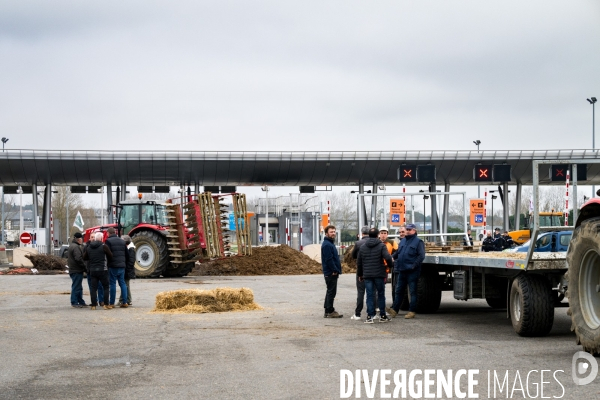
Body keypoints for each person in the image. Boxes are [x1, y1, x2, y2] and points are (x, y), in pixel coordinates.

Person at [388, 223, 425, 319]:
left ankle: (412, 311)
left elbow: (421, 256)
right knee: (399, 291)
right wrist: (392, 257)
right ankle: (394, 310)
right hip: (402, 270)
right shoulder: (403, 241)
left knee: (413, 291)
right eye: (407, 229)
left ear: (414, 230)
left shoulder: (418, 242)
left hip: (412, 271)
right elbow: (398, 252)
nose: (408, 231)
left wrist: (413, 266)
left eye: (410, 229)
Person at [357, 228, 393, 324]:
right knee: (381, 294)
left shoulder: (363, 247)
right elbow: (388, 257)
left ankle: (370, 316)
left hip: (367, 275)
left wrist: (360, 274)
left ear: (369, 235)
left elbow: (359, 263)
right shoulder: (381, 246)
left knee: (369, 295)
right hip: (379, 274)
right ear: (378, 235)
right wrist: (390, 266)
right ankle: (382, 315)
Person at [83, 232, 113, 310]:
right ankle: (106, 304)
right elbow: (111, 256)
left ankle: (93, 305)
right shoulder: (104, 246)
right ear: (101, 239)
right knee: (106, 287)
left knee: (93, 288)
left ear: (95, 239)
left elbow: (84, 257)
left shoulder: (89, 247)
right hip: (103, 270)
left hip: (93, 270)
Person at [350, 226, 374, 321]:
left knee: (361, 292)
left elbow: (353, 256)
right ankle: (372, 313)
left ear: (362, 233)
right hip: (373, 270)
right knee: (372, 292)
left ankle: (358, 313)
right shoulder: (376, 242)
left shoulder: (358, 243)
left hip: (362, 270)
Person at [321, 225, 342, 318]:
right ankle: (330, 311)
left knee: (330, 291)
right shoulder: (327, 245)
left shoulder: (329, 243)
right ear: (326, 233)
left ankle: (328, 309)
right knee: (331, 291)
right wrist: (334, 270)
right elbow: (329, 259)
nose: (333, 233)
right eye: (331, 232)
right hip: (331, 272)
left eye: (334, 232)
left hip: (331, 271)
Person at [105, 227, 129, 309]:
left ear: (109, 233)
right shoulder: (122, 241)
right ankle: (125, 302)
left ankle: (111, 303)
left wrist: (108, 263)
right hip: (122, 266)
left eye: (107, 233)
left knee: (112, 284)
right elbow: (127, 254)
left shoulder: (108, 241)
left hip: (113, 265)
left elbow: (107, 254)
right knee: (122, 283)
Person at [67, 232, 87, 308]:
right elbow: (78, 258)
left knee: (78, 286)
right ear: (79, 239)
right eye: (82, 239)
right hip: (76, 270)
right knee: (76, 286)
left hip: (74, 269)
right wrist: (84, 267)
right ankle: (74, 301)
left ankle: (80, 301)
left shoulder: (72, 246)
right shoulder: (76, 247)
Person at [119, 235, 136, 306]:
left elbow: (131, 261)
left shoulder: (131, 249)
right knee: (125, 285)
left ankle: (126, 300)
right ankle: (124, 299)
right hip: (127, 269)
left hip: (127, 270)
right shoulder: (129, 248)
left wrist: (126, 269)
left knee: (125, 285)